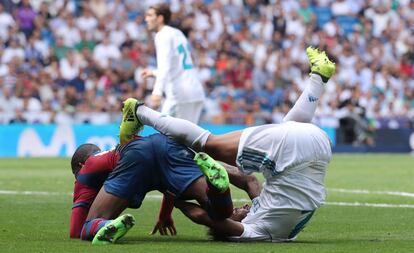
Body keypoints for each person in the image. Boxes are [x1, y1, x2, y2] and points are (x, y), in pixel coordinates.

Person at [121, 47, 336, 242]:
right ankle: (139, 112)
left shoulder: (284, 228)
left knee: (290, 127)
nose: (240, 206)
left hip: (319, 146)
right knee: (209, 143)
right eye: (232, 212)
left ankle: (318, 78)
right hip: (295, 152)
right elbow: (202, 216)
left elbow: (251, 182)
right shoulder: (255, 230)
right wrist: (173, 194)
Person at [69, 133, 260, 244]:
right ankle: (219, 189)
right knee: (220, 210)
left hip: (136, 158)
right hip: (164, 145)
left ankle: (106, 225)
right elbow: (249, 179)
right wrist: (165, 213)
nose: (243, 207)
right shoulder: (106, 156)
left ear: (80, 165)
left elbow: (75, 231)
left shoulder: (87, 170)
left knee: (87, 228)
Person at [141, 3, 205, 123]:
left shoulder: (162, 35)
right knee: (187, 140)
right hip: (195, 92)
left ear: (160, 18)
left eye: (150, 15)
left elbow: (164, 66)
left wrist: (157, 93)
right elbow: (177, 65)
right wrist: (153, 73)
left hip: (180, 95)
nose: (146, 19)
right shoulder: (177, 33)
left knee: (165, 135)